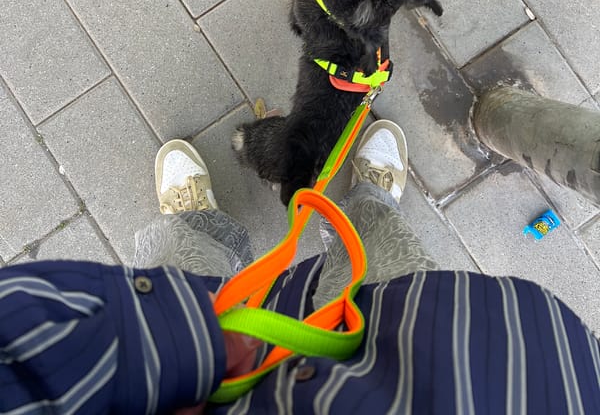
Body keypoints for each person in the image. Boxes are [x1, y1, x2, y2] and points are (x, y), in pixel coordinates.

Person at [1, 121, 599, 414]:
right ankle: (366, 206)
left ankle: (201, 228)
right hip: (439, 339)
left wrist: (162, 342)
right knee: (373, 251)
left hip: (181, 385)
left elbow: (21, 350)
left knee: (176, 271)